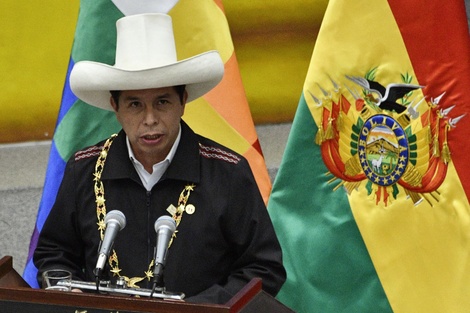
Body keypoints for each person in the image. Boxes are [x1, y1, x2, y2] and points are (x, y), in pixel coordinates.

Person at [33, 13, 286, 304]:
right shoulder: (85, 168)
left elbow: (264, 269)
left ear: (183, 101)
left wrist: (198, 309)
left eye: (162, 102)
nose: (150, 119)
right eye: (135, 105)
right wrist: (69, 288)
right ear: (115, 107)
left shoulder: (227, 171)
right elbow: (54, 254)